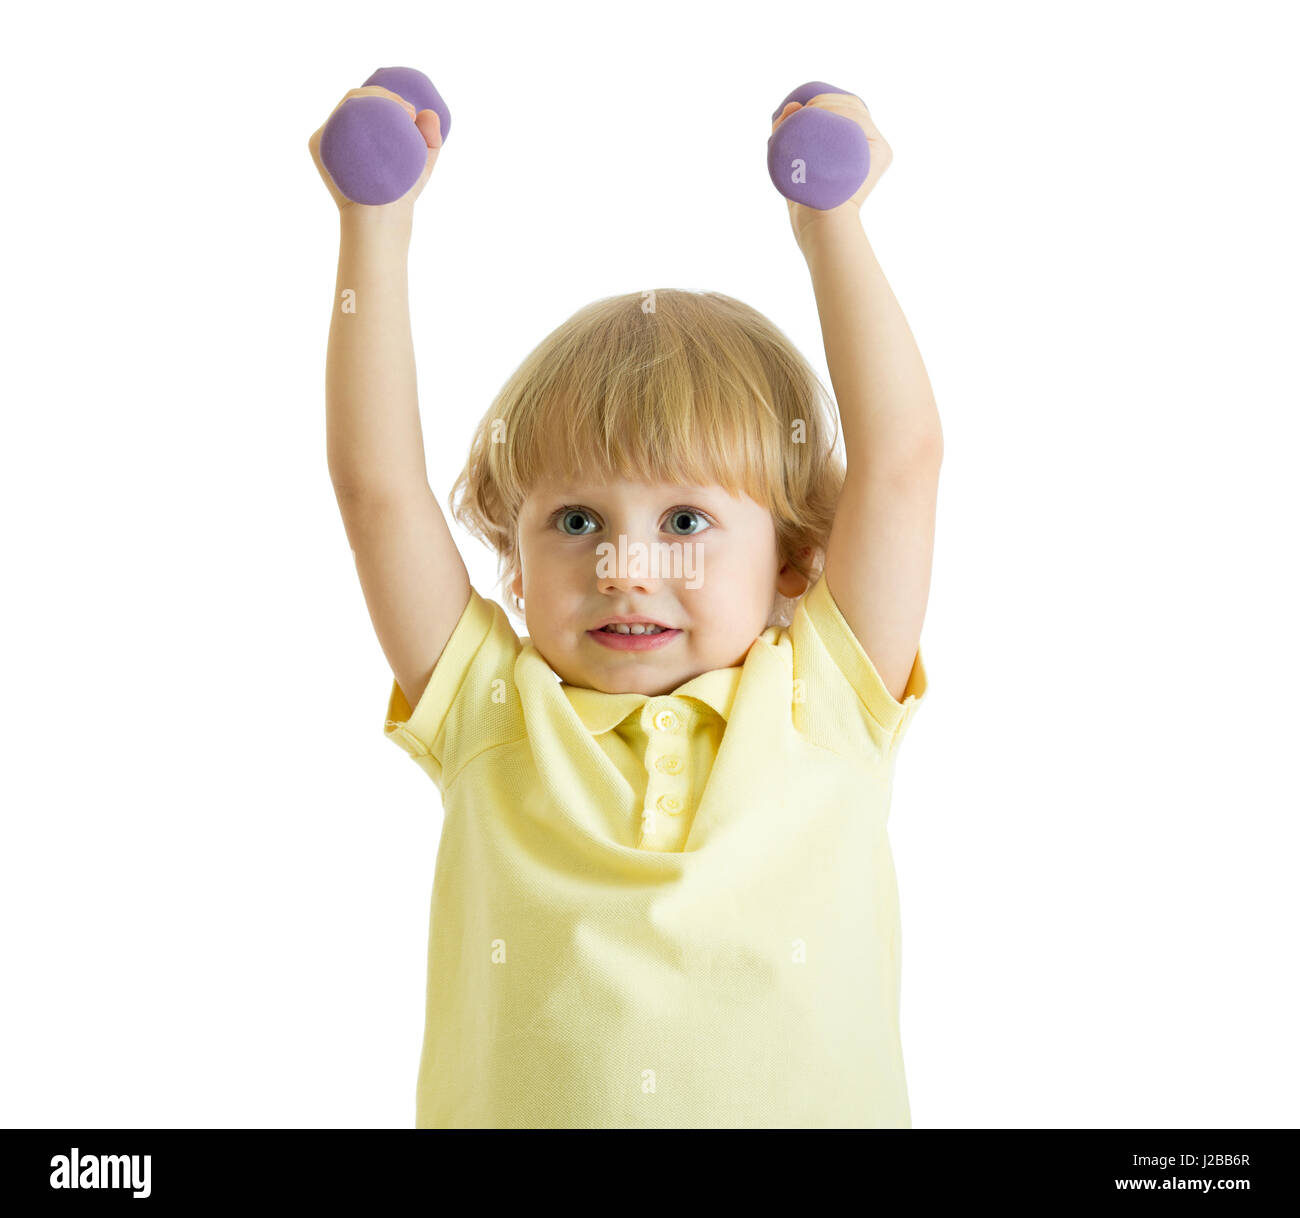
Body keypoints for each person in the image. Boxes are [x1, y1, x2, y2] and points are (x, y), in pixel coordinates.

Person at [309, 84, 942, 1128]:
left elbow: (902, 465)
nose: (622, 565)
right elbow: (377, 489)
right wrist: (373, 225)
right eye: (573, 522)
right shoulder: (491, 710)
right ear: (511, 556)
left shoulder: (828, 699)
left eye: (686, 522)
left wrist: (831, 225)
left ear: (792, 557)